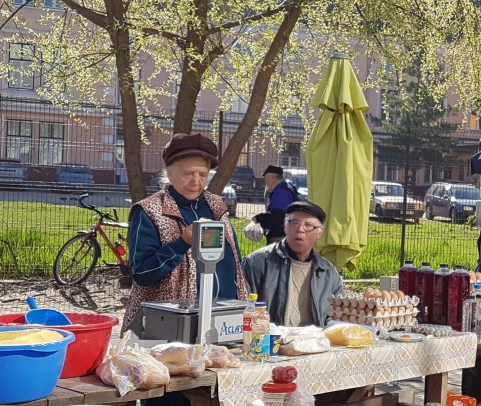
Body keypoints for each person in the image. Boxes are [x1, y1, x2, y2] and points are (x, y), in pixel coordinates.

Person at [123, 132, 247, 336]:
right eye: (188, 174)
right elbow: (142, 274)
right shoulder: (150, 211)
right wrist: (182, 243)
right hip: (168, 325)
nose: (196, 182)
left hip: (223, 320)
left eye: (203, 174)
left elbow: (235, 264)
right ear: (169, 174)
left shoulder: (216, 206)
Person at [242, 201, 343, 326]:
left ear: (319, 233)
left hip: (314, 343)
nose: (300, 229)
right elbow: (243, 310)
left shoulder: (328, 273)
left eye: (308, 225)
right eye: (294, 223)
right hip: (269, 342)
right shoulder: (257, 263)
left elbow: (338, 319)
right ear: (285, 227)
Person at [254, 164, 301, 245]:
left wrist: (259, 218)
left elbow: (278, 217)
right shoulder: (287, 188)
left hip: (280, 237)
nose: (265, 182)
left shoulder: (281, 193)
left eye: (266, 179)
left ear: (271, 177)